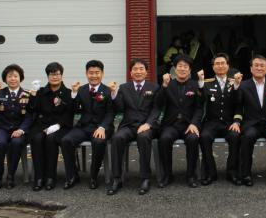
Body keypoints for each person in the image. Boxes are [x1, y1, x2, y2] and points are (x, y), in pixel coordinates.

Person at [108, 58, 160, 196]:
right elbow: (120, 108)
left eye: (141, 69)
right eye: (135, 69)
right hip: (129, 125)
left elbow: (156, 109)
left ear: (146, 72)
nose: (138, 71)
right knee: (117, 138)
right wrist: (113, 93)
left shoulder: (154, 87)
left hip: (147, 125)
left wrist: (148, 124)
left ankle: (145, 178)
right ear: (130, 72)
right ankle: (117, 178)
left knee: (143, 137)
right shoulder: (124, 87)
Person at [233, 55, 266, 187]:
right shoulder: (243, 85)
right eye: (256, 65)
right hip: (252, 124)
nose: (259, 68)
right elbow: (237, 104)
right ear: (251, 69)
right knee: (247, 137)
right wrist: (236, 86)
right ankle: (246, 174)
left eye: (262, 66)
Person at [61, 60, 115, 190]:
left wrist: (102, 127)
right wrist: (74, 94)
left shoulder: (108, 90)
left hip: (102, 126)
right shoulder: (81, 90)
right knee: (66, 140)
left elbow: (111, 113)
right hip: (83, 126)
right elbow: (73, 109)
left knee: (98, 141)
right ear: (86, 74)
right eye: (91, 73)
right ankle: (72, 175)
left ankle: (93, 176)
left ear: (102, 74)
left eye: (97, 72)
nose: (94, 75)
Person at [156, 54, 203, 188]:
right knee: (164, 139)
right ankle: (167, 175)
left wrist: (194, 123)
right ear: (175, 69)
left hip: (189, 124)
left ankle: (191, 175)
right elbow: (158, 103)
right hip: (171, 124)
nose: (182, 69)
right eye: (180, 66)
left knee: (193, 139)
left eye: (185, 67)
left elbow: (199, 108)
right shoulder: (168, 84)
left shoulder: (195, 85)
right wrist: (164, 85)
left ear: (190, 70)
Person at [27, 62, 74, 191]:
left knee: (51, 139)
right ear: (47, 76)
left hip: (60, 126)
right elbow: (33, 109)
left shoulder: (67, 93)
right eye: (52, 74)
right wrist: (33, 96)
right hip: (42, 125)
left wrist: (58, 125)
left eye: (57, 74)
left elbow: (69, 113)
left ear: (61, 76)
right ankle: (39, 177)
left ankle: (50, 177)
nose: (55, 77)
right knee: (37, 138)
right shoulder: (41, 91)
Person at [0, 64, 33, 190]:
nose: (13, 79)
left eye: (15, 76)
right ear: (5, 79)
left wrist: (21, 130)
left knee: (16, 143)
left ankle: (11, 176)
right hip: (2, 128)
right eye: (10, 76)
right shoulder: (1, 92)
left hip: (19, 129)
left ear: (20, 78)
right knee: (0, 144)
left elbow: (29, 116)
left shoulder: (26, 94)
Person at [197, 53, 241, 186]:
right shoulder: (206, 83)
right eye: (217, 64)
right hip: (211, 122)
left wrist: (236, 122)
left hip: (229, 122)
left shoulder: (234, 82)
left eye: (223, 63)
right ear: (213, 67)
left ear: (228, 66)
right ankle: (210, 173)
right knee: (204, 137)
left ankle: (232, 172)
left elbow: (239, 104)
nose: (220, 66)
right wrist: (200, 84)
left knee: (235, 136)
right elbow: (200, 101)